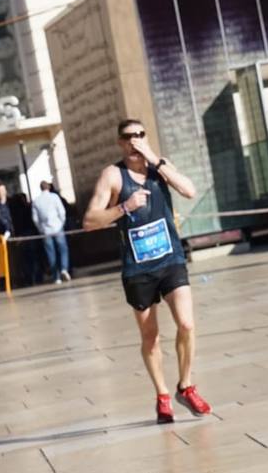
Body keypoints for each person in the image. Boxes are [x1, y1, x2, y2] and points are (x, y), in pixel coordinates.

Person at [84, 118, 211, 424]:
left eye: (140, 135)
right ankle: (163, 395)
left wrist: (156, 160)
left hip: (171, 260)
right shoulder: (113, 175)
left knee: (187, 324)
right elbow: (89, 220)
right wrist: (124, 207)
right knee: (151, 336)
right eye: (128, 137)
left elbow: (189, 190)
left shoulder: (159, 167)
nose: (134, 142)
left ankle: (186, 385)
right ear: (119, 142)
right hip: (137, 269)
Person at [33, 180, 72, 284]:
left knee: (51, 253)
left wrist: (41, 229)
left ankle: (57, 277)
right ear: (48, 187)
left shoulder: (36, 201)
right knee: (63, 249)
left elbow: (35, 218)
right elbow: (62, 211)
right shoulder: (54, 197)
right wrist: (61, 223)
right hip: (57, 227)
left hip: (45, 230)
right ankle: (64, 268)